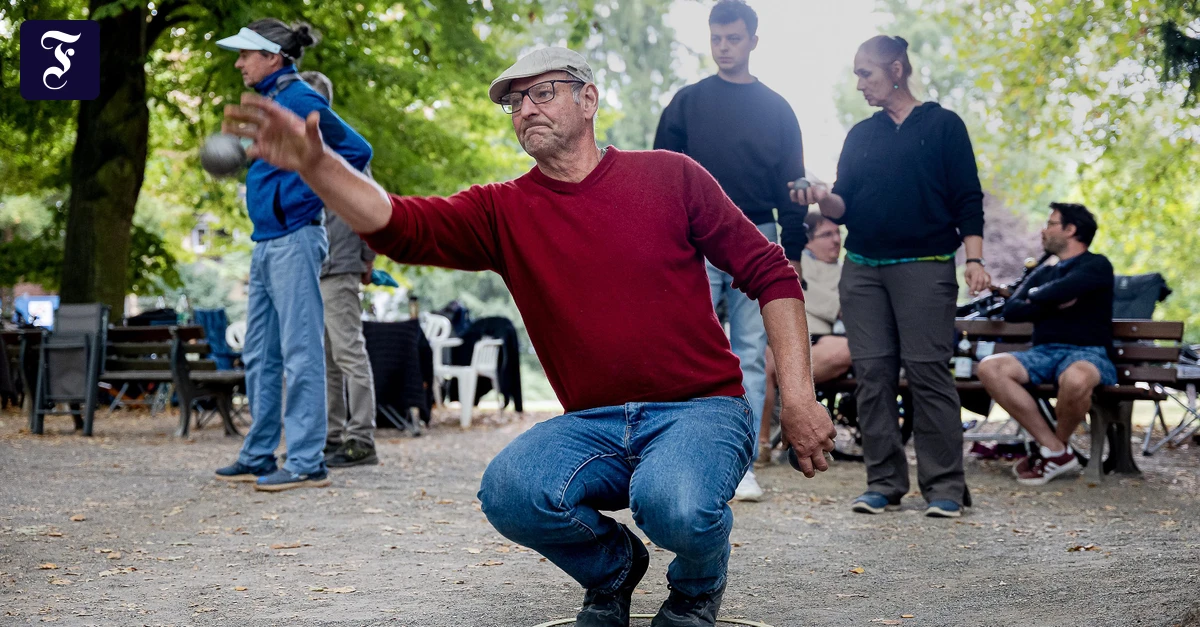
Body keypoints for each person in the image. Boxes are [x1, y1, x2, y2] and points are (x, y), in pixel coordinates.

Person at [221, 46, 835, 627]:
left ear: (589, 99)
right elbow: (399, 225)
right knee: (511, 490)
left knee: (671, 502)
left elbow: (772, 274)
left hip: (699, 410)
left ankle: (698, 587)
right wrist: (316, 164)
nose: (526, 110)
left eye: (543, 93)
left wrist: (800, 399)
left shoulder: (672, 177)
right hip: (594, 423)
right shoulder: (503, 210)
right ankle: (615, 569)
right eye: (515, 102)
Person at [794, 35, 991, 518]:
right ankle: (883, 482)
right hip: (863, 270)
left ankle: (944, 486)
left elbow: (968, 197)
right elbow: (843, 206)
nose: (860, 83)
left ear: (896, 69)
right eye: (857, 74)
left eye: (867, 73)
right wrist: (821, 196)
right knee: (873, 376)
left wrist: (974, 258)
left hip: (925, 267)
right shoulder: (862, 134)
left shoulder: (943, 126)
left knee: (927, 372)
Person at [653, 0, 809, 502]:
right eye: (717, 38)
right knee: (686, 348)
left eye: (734, 38)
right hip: (692, 237)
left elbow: (792, 186)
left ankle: (740, 464)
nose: (724, 47)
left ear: (753, 41)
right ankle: (678, 457)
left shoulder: (777, 108)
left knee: (749, 354)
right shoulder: (686, 102)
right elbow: (659, 174)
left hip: (757, 236)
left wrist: (796, 250)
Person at [211, 19, 373, 491]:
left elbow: (357, 150)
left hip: (296, 236)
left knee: (301, 351)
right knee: (260, 353)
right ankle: (260, 452)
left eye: (246, 54)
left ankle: (306, 461)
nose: (239, 62)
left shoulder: (300, 98)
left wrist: (309, 195)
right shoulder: (271, 105)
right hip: (265, 241)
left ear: (273, 56)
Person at [976, 203, 1115, 485]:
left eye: (1051, 224)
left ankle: (1055, 451)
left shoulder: (1097, 264)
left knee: (1076, 379)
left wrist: (1038, 299)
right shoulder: (1042, 272)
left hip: (1087, 353)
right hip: (1043, 353)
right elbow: (1012, 310)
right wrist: (1051, 299)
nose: (1044, 230)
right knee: (990, 368)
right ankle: (1056, 450)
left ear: (1070, 230)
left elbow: (1060, 290)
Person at [299, 70, 380, 468]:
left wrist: (368, 258)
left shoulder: (346, 151)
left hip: (341, 264)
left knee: (349, 353)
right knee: (327, 357)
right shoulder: (302, 153)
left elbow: (371, 207)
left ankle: (361, 438)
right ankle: (333, 437)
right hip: (313, 267)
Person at [800, 212, 852, 383]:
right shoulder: (797, 266)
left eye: (838, 233)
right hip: (805, 339)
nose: (836, 240)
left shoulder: (847, 270)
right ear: (808, 241)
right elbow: (845, 309)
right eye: (827, 234)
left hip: (837, 339)